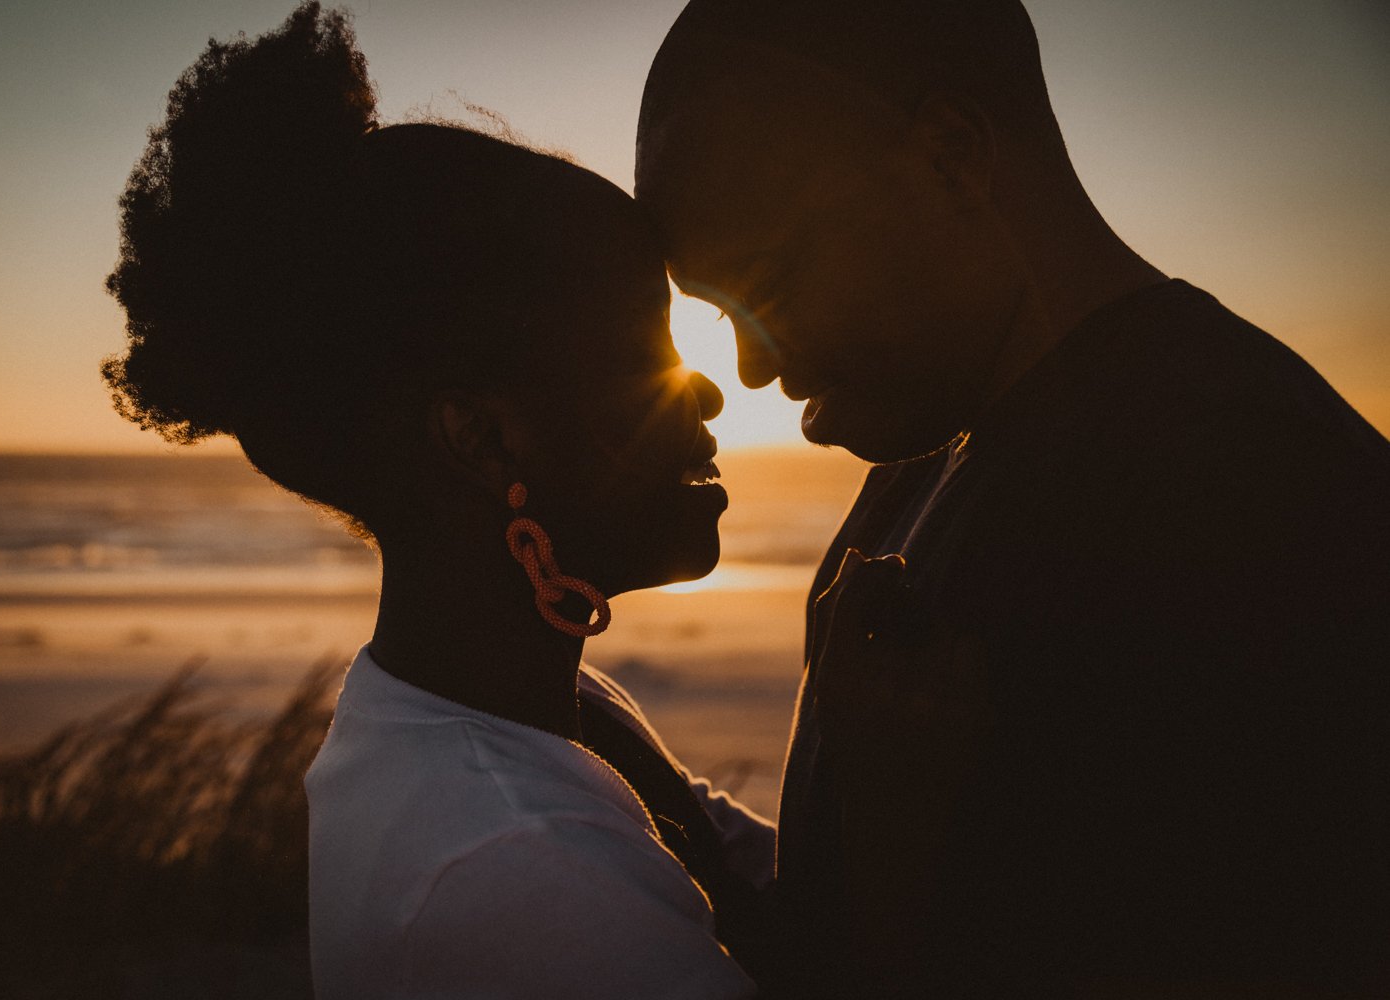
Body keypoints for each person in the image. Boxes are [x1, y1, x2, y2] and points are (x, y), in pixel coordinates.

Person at [635, 1, 1390, 996]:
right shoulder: (919, 468)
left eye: (768, 281)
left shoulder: (1266, 507)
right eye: (716, 310)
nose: (749, 366)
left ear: (951, 153)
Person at [102, 5, 773, 997]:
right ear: (484, 438)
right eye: (644, 355)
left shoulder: (555, 710)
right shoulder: (521, 863)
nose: (709, 391)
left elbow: (766, 886)